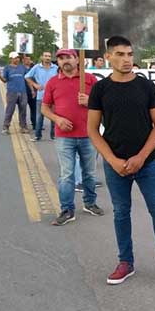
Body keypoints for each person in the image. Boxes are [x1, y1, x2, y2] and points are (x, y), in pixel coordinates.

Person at [87, 35, 155, 286]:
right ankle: (125, 262)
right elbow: (93, 130)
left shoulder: (145, 86)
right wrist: (112, 160)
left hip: (147, 164)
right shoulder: (100, 89)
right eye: (120, 54)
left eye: (129, 54)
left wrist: (142, 156)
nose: (126, 59)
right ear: (108, 57)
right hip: (115, 164)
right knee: (121, 213)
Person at [41, 49, 104, 226]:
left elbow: (104, 103)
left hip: (89, 134)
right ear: (58, 63)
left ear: (77, 59)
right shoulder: (53, 82)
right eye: (60, 58)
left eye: (68, 57)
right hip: (64, 137)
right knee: (66, 174)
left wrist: (90, 100)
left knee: (89, 173)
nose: (64, 61)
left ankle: (90, 203)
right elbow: (44, 108)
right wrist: (57, 119)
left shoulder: (90, 79)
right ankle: (67, 209)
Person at [25, 51, 58, 141]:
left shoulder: (56, 68)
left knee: (54, 116)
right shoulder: (36, 67)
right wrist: (35, 85)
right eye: (46, 56)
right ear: (42, 57)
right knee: (39, 117)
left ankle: (54, 135)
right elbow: (27, 77)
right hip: (41, 96)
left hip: (54, 97)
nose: (47, 57)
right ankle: (37, 136)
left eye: (49, 56)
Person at [0, 52, 29, 134]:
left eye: (18, 58)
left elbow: (28, 75)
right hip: (12, 92)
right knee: (10, 110)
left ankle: (23, 127)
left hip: (22, 92)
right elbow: (5, 80)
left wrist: (27, 62)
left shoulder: (22, 67)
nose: (17, 59)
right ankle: (5, 127)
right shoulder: (7, 68)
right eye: (15, 58)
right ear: (11, 59)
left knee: (23, 110)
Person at [22, 55, 37, 130]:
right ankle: (23, 125)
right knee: (23, 109)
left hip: (33, 92)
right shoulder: (21, 69)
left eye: (29, 59)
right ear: (23, 60)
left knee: (34, 109)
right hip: (23, 92)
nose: (27, 61)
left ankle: (35, 124)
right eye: (26, 59)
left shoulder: (33, 69)